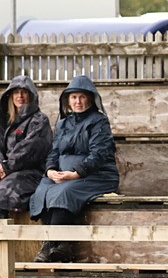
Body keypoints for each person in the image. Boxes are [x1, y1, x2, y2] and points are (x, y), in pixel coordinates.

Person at [29, 75, 120, 263]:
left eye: (81, 97)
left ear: (90, 98)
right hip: (65, 174)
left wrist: (76, 173)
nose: (77, 101)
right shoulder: (63, 122)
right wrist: (50, 170)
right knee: (43, 189)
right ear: (67, 100)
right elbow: (54, 151)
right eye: (73, 97)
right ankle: (62, 247)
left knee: (64, 191)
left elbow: (99, 154)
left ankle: (49, 244)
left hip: (96, 175)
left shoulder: (99, 122)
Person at [0, 75, 52, 220]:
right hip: (6, 171)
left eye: (24, 92)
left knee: (3, 192)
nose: (20, 96)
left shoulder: (40, 120)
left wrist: (6, 167)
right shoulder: (4, 121)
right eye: (16, 92)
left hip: (33, 173)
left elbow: (29, 150)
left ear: (31, 95)